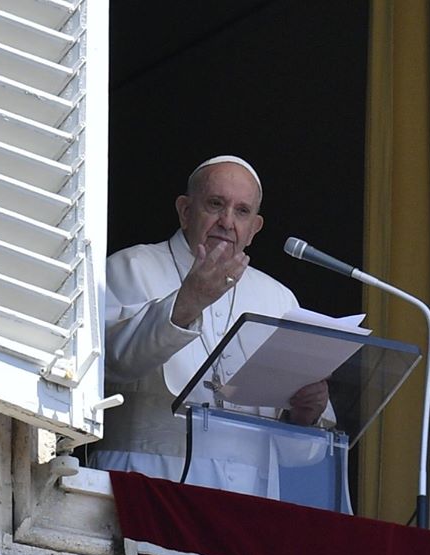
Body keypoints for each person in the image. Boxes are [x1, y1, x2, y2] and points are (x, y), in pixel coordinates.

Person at [89, 155, 330, 497]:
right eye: (216, 204)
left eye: (242, 211)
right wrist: (187, 302)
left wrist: (305, 417)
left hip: (249, 502)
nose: (227, 221)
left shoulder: (279, 300)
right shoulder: (131, 267)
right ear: (185, 210)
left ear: (255, 227)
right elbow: (112, 364)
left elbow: (297, 456)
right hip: (146, 486)